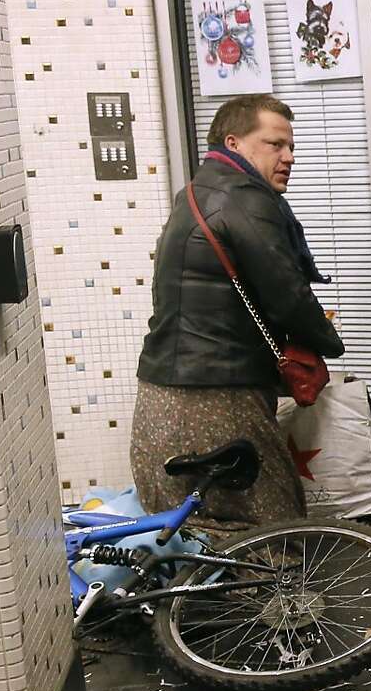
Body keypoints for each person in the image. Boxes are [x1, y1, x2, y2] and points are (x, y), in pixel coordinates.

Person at [131, 94, 343, 526]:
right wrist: (327, 341)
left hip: (160, 391)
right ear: (234, 142)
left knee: (185, 527)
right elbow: (285, 292)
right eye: (274, 144)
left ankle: (198, 597)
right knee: (269, 515)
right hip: (220, 393)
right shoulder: (245, 198)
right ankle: (285, 596)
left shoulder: (193, 193)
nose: (288, 157)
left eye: (291, 147)